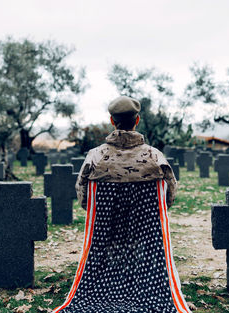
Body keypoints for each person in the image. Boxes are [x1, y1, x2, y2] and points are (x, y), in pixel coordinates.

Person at [52, 96, 191, 313]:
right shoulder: (155, 157)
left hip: (107, 232)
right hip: (145, 232)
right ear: (137, 120)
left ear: (111, 120)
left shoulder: (94, 157)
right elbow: (168, 198)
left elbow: (84, 199)